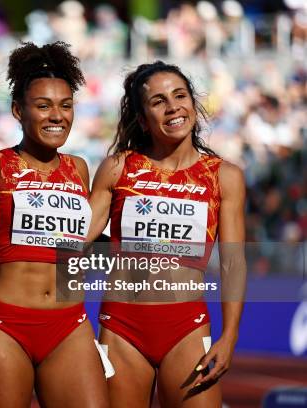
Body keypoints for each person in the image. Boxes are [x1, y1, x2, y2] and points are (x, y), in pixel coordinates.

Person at [87, 60, 246, 407]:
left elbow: (233, 264)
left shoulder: (225, 176)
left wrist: (230, 336)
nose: (173, 106)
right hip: (121, 326)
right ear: (143, 119)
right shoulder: (118, 168)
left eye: (179, 95)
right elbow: (75, 241)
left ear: (193, 103)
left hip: (186, 327)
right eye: (158, 101)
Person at [0, 42, 108, 407]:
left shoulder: (80, 168)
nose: (57, 116)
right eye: (43, 106)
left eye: (66, 106)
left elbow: (78, 245)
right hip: (4, 323)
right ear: (19, 111)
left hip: (69, 323)